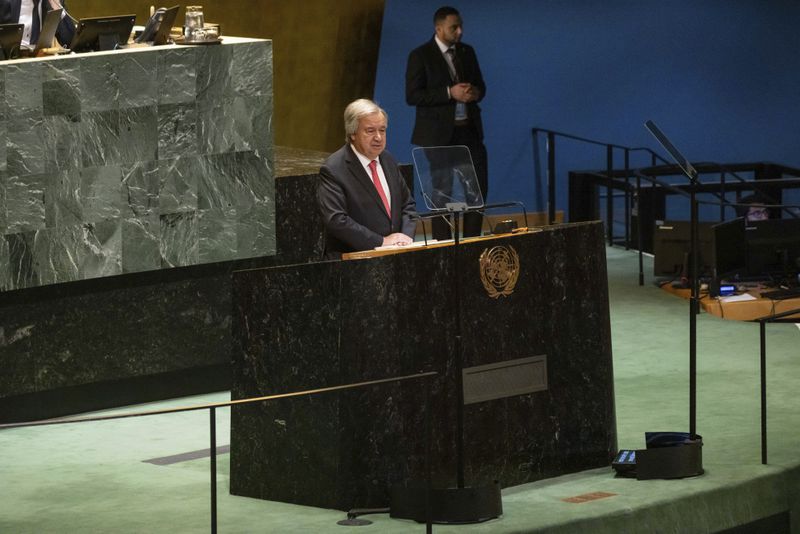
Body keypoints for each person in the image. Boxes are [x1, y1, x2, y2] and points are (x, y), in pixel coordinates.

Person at [406, 5, 487, 240]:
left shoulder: (467, 52)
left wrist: (475, 93)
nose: (460, 31)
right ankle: (443, 246)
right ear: (438, 28)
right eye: (454, 27)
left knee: (478, 191)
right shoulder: (420, 55)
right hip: (438, 137)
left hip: (469, 133)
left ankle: (472, 242)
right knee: (442, 193)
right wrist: (449, 93)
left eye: (461, 26)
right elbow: (412, 96)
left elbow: (482, 86)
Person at [317, 99, 417, 259]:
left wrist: (405, 238)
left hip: (395, 257)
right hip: (354, 261)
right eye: (370, 131)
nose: (378, 137)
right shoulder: (334, 168)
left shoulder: (388, 159)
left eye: (382, 130)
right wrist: (382, 241)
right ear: (352, 134)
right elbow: (336, 220)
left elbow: (408, 205)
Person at [0, 0, 75, 49]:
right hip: (11, 60)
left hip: (41, 60)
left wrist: (57, 7)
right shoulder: (5, 3)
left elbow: (69, 42)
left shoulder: (51, 2)